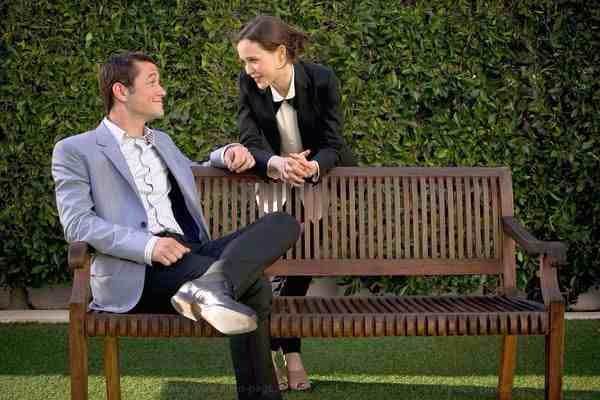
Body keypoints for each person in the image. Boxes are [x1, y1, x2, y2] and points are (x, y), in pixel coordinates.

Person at [51, 51, 300, 400]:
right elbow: (78, 224)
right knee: (254, 287)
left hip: (187, 254)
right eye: (152, 82)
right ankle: (214, 290)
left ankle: (211, 285)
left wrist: (228, 153)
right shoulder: (75, 150)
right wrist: (149, 246)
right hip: (138, 270)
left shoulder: (161, 141)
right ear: (121, 91)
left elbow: (192, 167)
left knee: (283, 223)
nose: (162, 91)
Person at [235, 15, 357, 391]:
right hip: (274, 180)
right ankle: (284, 356)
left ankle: (289, 353)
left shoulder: (322, 79)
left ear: (280, 53)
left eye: (253, 60)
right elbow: (249, 140)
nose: (247, 69)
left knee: (299, 270)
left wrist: (311, 167)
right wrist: (279, 164)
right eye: (244, 61)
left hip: (316, 181)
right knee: (272, 272)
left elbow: (333, 143)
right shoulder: (247, 84)